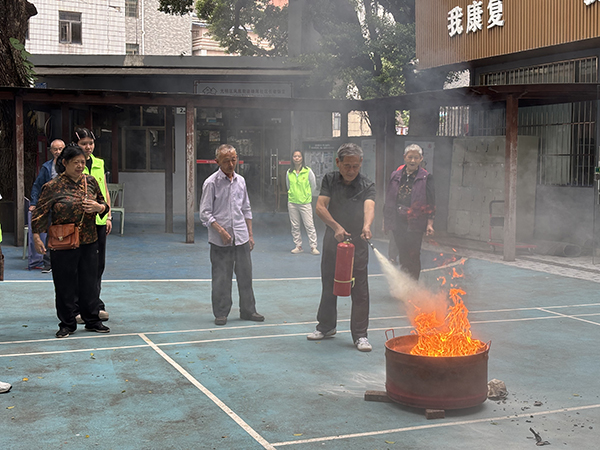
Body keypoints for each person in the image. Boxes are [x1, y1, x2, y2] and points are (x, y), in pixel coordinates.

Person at [31, 144, 111, 338]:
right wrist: (36, 237)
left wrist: (99, 208)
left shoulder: (90, 182)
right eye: (76, 162)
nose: (80, 166)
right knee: (64, 284)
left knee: (89, 282)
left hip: (89, 240)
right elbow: (40, 213)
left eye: (82, 162)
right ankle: (67, 323)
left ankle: (92, 320)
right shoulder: (52, 186)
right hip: (63, 242)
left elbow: (104, 204)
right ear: (65, 163)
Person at [307, 143, 376, 352]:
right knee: (329, 283)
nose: (351, 170)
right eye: (347, 166)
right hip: (333, 240)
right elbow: (320, 207)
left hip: (358, 242)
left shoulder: (367, 184)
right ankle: (326, 326)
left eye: (355, 166)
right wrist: (336, 227)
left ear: (361, 163)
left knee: (360, 290)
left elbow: (369, 207)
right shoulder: (329, 179)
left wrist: (367, 226)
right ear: (338, 162)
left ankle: (360, 335)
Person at [200, 144, 264, 326]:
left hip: (241, 237)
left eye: (233, 160)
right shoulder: (211, 183)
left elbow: (246, 209)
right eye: (226, 160)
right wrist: (221, 231)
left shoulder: (241, 181)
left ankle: (248, 310)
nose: (230, 164)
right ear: (217, 161)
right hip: (220, 241)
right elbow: (204, 213)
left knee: (245, 276)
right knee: (221, 277)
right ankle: (221, 313)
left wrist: (250, 234)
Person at [383, 144, 435, 280]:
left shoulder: (426, 177)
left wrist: (430, 223)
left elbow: (431, 201)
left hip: (415, 221)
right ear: (404, 157)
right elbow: (389, 198)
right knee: (402, 252)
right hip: (398, 220)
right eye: (410, 157)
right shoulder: (395, 175)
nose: (413, 161)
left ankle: (413, 284)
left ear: (421, 159)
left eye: (416, 158)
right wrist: (386, 221)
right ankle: (405, 283)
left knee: (414, 253)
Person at [75, 128, 110, 323]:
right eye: (84, 144)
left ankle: (95, 304)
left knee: (98, 265)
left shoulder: (99, 163)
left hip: (98, 220)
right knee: (79, 265)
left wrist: (108, 215)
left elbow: (104, 189)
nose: (88, 147)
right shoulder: (72, 165)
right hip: (80, 223)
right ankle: (77, 307)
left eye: (91, 143)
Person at [29, 139, 66, 273]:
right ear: (51, 151)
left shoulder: (70, 165)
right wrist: (34, 203)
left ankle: (65, 261)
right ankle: (48, 263)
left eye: (60, 149)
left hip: (67, 206)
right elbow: (37, 186)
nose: (58, 152)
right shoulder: (46, 167)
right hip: (51, 206)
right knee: (51, 233)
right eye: (55, 149)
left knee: (68, 232)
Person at [286, 150, 319, 255]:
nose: (297, 158)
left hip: (305, 202)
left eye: (299, 156)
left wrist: (307, 195)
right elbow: (288, 186)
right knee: (295, 226)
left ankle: (313, 247)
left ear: (302, 158)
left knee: (309, 225)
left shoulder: (308, 171)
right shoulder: (289, 172)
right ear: (292, 158)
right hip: (292, 202)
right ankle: (298, 246)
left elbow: (313, 185)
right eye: (295, 156)